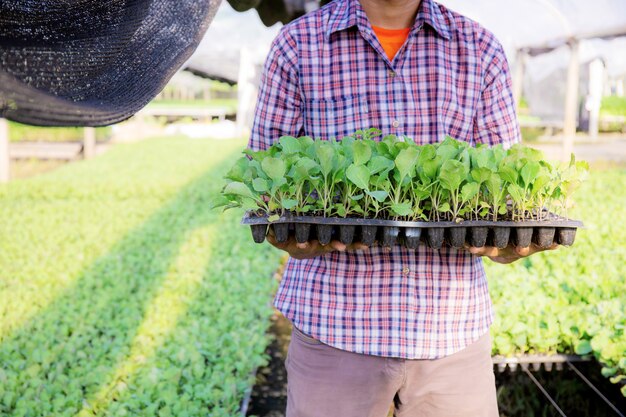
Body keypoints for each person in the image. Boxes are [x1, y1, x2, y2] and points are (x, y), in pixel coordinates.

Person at [247, 0, 556, 415]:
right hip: (332, 325)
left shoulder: (480, 48)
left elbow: (504, 177)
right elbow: (264, 175)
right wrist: (286, 230)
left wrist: (509, 236)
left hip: (452, 337)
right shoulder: (298, 44)